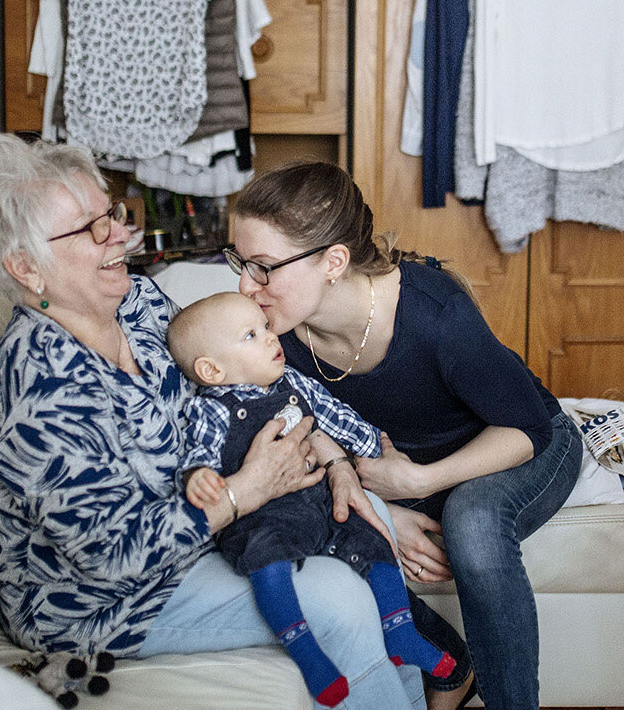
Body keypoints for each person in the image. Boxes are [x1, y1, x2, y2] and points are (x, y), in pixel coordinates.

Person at [0, 135, 426, 709]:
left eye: (111, 213)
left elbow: (245, 383)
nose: (120, 236)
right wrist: (246, 491)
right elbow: (111, 557)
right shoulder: (36, 389)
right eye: (90, 229)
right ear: (26, 267)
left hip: (212, 527)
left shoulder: (138, 305)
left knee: (368, 516)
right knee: (335, 598)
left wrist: (334, 461)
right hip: (107, 599)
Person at [228, 161, 584, 710]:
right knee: (290, 525)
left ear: (334, 261)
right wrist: (379, 506)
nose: (246, 286)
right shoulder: (275, 339)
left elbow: (528, 428)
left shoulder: (432, 312)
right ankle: (450, 666)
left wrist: (419, 479)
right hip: (398, 470)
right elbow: (300, 435)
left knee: (475, 522)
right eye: (239, 263)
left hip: (518, 443)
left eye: (263, 268)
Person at [171, 292, 456, 707]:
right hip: (260, 518)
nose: (271, 339)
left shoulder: (292, 385)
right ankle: (305, 649)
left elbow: (337, 416)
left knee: (371, 536)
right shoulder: (211, 411)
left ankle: (400, 630)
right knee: (266, 564)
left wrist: (379, 451)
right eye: (251, 335)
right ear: (212, 370)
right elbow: (197, 455)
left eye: (266, 328)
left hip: (317, 503)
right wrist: (198, 478)